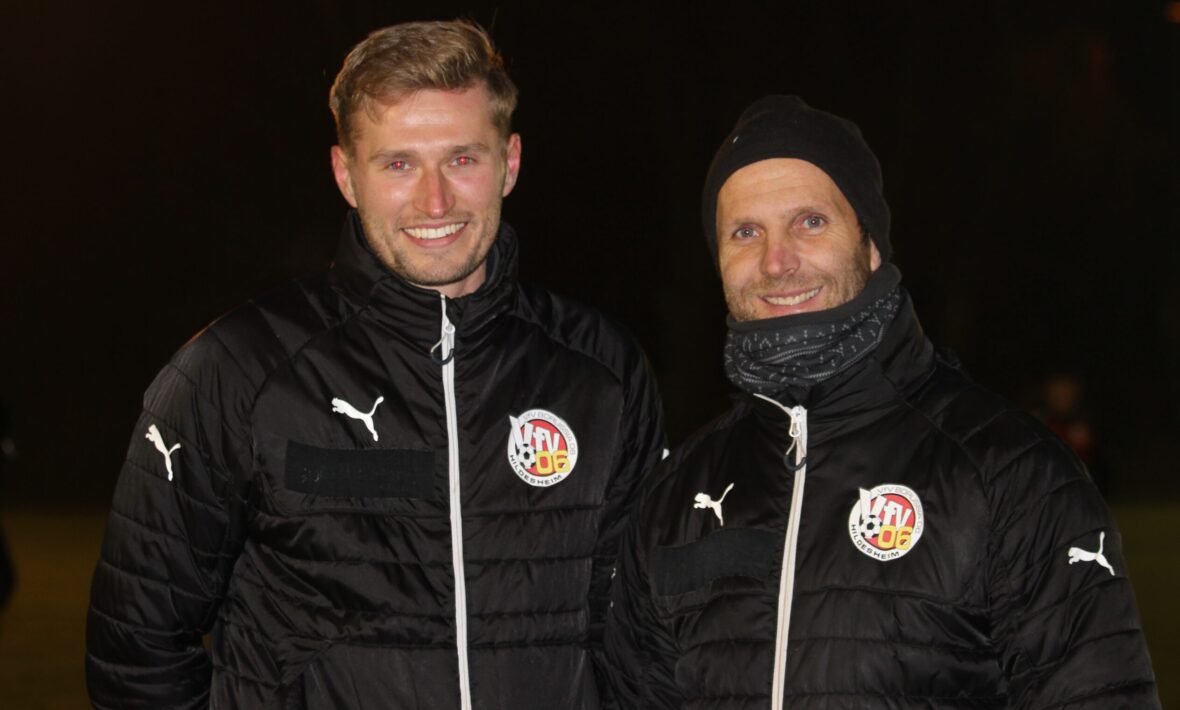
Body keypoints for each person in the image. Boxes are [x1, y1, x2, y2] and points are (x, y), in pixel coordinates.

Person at [86, 20, 665, 709]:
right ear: (346, 176)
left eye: (462, 159)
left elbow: (640, 644)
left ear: (510, 163)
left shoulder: (600, 370)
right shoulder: (238, 371)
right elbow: (137, 650)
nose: (434, 201)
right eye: (398, 165)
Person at [604, 95, 1159, 708]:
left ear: (870, 246)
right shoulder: (675, 495)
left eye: (810, 222)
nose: (776, 261)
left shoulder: (1011, 473)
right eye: (745, 232)